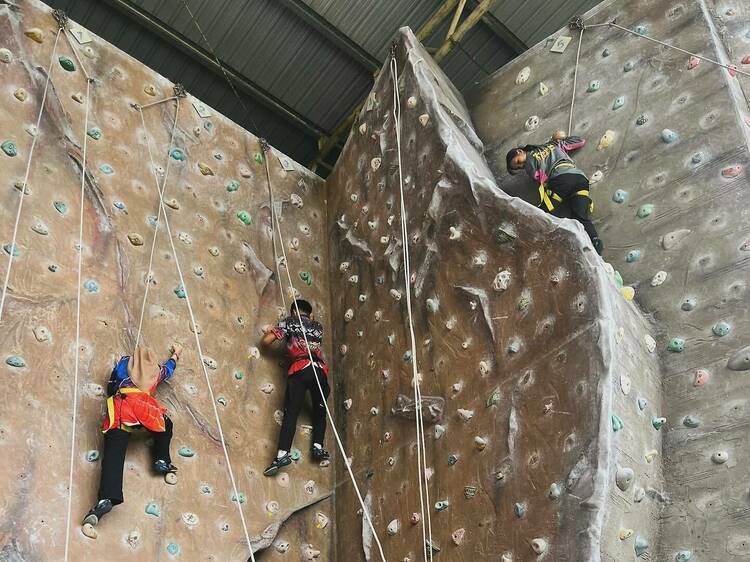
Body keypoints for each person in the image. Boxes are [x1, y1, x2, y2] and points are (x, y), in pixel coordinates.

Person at [82, 344, 182, 529]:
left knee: (114, 453)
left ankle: (106, 498)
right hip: (145, 408)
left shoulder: (124, 365)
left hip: (123, 407)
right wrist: (176, 354)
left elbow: (111, 385)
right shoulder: (155, 371)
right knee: (165, 425)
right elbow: (168, 370)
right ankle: (161, 460)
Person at [261, 299, 331, 476]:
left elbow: (266, 341)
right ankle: (317, 446)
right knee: (320, 411)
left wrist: (270, 332)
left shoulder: (290, 321)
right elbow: (308, 342)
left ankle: (282, 454)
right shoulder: (318, 326)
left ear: (293, 312)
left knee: (291, 413)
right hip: (320, 371)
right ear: (311, 314)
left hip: (300, 369)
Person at [506, 130, 603, 254]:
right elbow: (580, 141)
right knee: (580, 218)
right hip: (580, 179)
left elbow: (542, 179)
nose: (522, 166)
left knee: (541, 213)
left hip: (561, 180)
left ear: (520, 151)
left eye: (518, 162)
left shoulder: (530, 164)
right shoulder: (554, 144)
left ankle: (524, 241)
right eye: (519, 167)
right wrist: (559, 139)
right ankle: (595, 242)